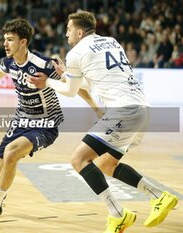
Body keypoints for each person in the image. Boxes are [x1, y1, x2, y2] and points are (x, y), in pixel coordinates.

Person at [29, 11, 178, 233]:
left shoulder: (75, 53)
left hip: (123, 110)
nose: (67, 33)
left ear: (79, 31)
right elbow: (98, 80)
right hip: (142, 108)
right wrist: (67, 76)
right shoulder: (111, 41)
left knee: (79, 159)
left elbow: (70, 92)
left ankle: (118, 215)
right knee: (107, 164)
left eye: (69, 29)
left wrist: (48, 82)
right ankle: (159, 196)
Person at [0, 18, 101, 222]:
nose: (5, 44)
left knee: (11, 152)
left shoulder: (43, 64)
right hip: (21, 120)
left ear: (23, 42)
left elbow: (75, 85)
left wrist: (97, 109)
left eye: (10, 39)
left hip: (45, 124)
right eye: (5, 39)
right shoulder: (9, 62)